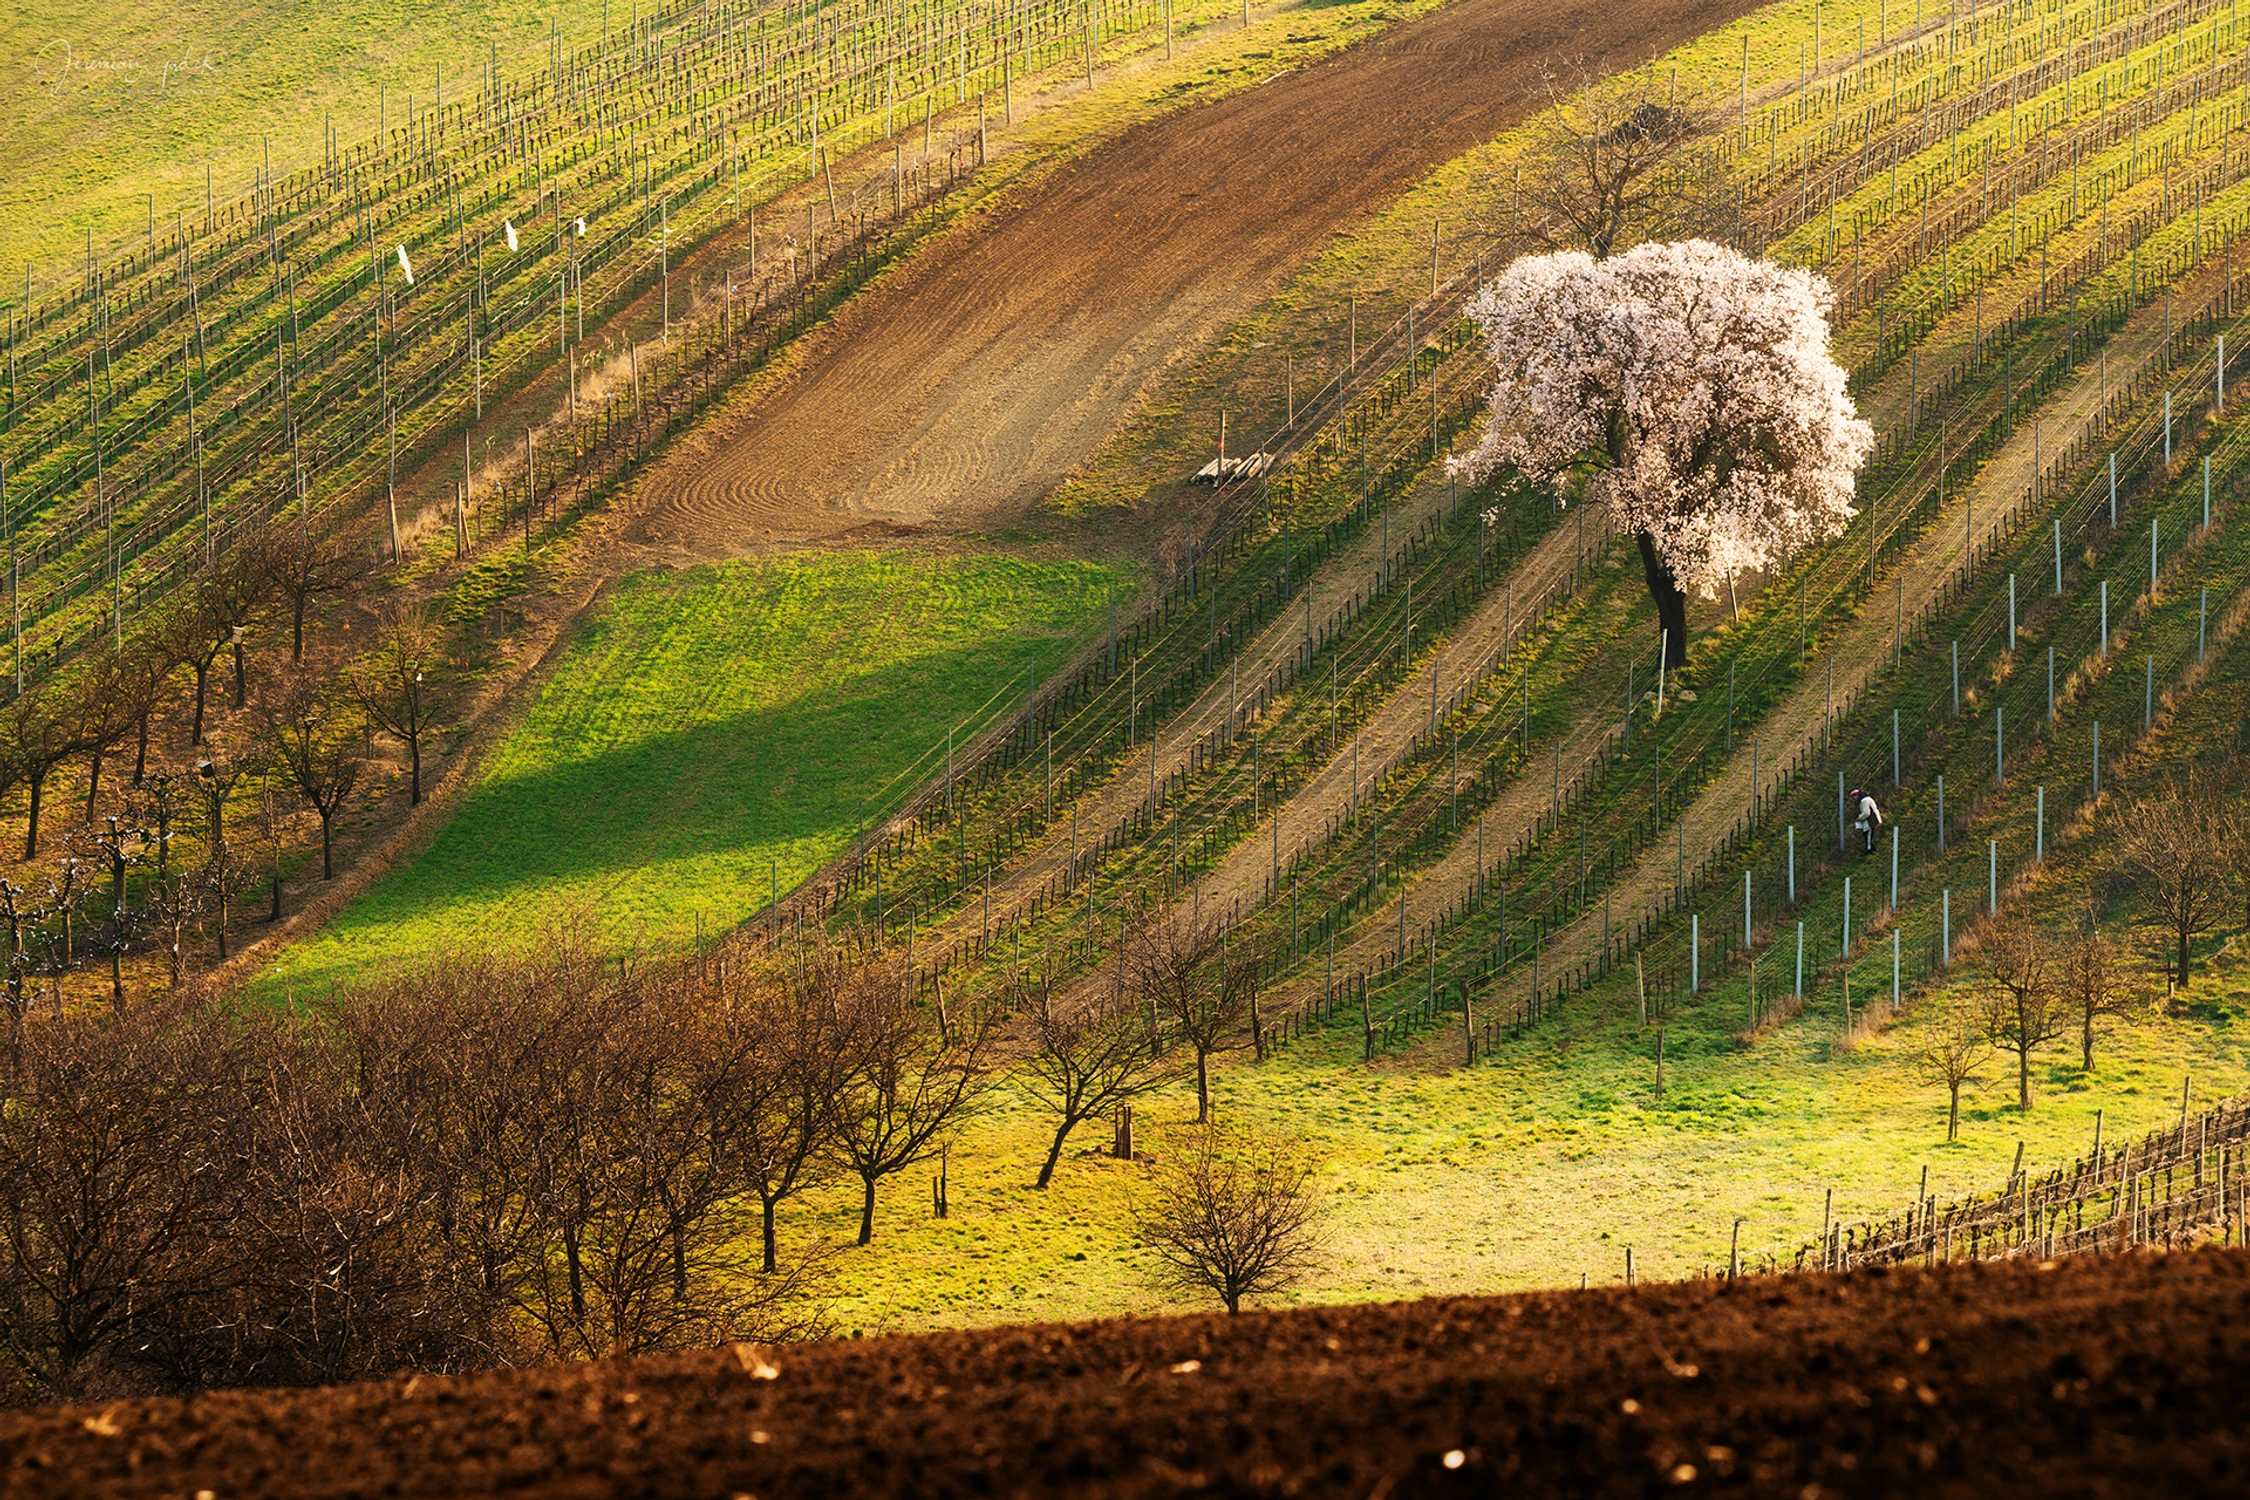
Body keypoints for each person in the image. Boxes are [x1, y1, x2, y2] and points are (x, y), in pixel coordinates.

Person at [1851, 786, 1883, 855]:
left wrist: (1859, 818)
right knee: (1868, 834)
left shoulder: (1864, 801)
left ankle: (1869, 850)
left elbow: (1866, 813)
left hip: (1870, 820)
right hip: (1872, 819)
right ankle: (1872, 848)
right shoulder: (1866, 798)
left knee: (1868, 835)